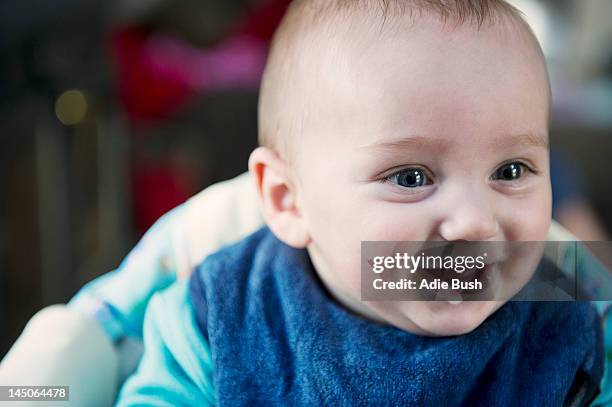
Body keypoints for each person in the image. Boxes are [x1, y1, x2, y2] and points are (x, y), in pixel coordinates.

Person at [111, 0, 607, 405]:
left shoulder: (570, 320)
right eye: (412, 177)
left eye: (510, 171)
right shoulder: (221, 316)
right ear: (289, 202)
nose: (475, 223)